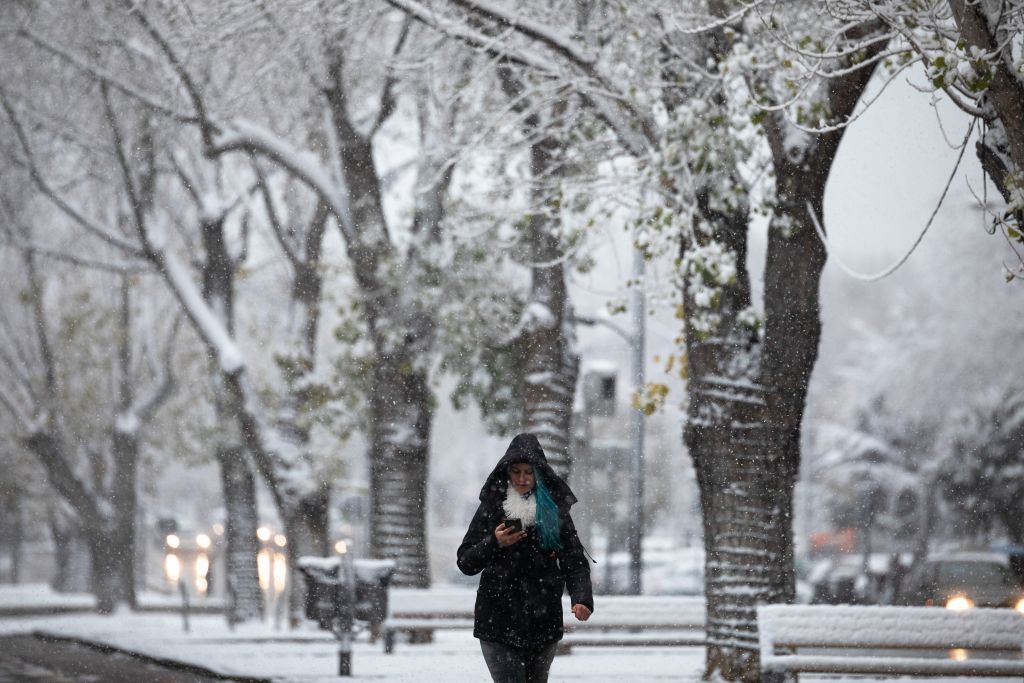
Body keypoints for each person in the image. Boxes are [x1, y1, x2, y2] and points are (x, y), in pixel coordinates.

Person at [457, 433, 594, 683]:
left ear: (539, 474)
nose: (522, 479)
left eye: (529, 472)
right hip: (497, 620)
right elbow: (466, 562)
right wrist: (496, 542)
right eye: (516, 471)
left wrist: (581, 598)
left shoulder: (555, 510)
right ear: (507, 472)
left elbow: (574, 560)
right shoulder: (492, 506)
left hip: (544, 620)